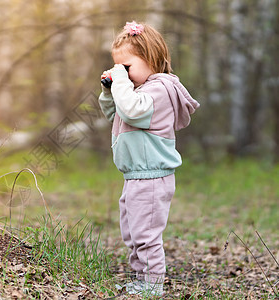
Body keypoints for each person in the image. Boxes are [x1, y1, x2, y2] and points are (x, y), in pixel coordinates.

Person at [98, 21, 200, 297]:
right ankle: (139, 278)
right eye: (119, 68)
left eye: (127, 68)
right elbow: (117, 115)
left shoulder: (161, 89)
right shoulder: (138, 91)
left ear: (151, 59)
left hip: (152, 177)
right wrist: (110, 91)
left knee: (146, 235)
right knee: (132, 233)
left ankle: (152, 286)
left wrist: (119, 81)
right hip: (135, 177)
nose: (125, 75)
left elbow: (130, 110)